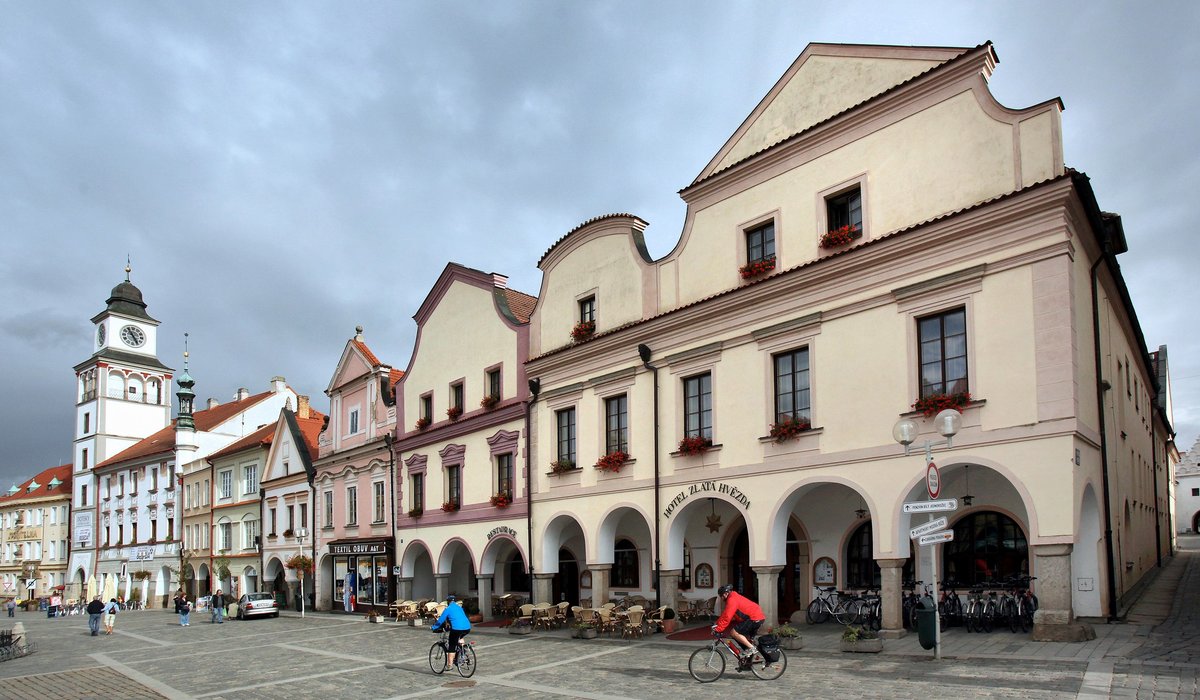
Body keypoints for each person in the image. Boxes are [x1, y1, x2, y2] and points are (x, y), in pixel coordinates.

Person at [712, 584, 766, 663]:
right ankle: (750, 660)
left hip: (754, 618)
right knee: (743, 638)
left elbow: (727, 616)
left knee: (734, 632)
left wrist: (718, 629)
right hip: (756, 617)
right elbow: (725, 614)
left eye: (721, 596)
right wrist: (717, 624)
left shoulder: (732, 600)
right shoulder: (733, 597)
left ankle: (752, 649)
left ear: (725, 593)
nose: (721, 598)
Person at [432, 595, 472, 670]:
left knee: (452, 646)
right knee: (460, 637)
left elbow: (440, 620)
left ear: (448, 602)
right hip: (467, 627)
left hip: (456, 628)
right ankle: (464, 651)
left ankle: (449, 665)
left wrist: (434, 627)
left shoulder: (448, 609)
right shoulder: (460, 608)